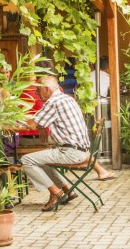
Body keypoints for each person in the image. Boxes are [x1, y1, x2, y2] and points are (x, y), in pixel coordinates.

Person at [22, 76, 90, 211]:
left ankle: (55, 192)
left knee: (26, 160)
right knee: (42, 160)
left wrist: (20, 118)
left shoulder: (53, 102)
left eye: (38, 90)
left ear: (46, 89)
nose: (36, 93)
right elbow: (42, 123)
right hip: (82, 151)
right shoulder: (67, 98)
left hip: (71, 153)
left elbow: (32, 125)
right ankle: (68, 190)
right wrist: (40, 126)